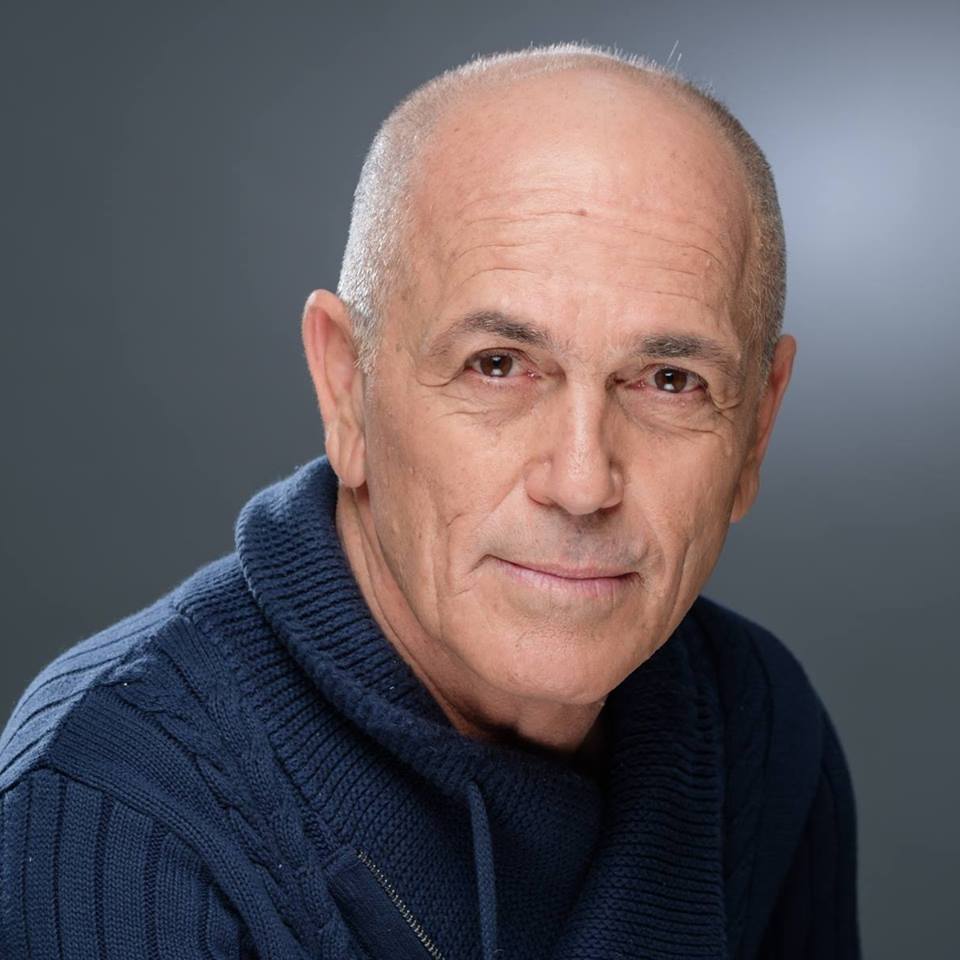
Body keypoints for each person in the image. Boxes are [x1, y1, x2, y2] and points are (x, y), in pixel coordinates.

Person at [0, 43, 861, 960]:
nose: (581, 483)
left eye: (670, 380)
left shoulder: (760, 728)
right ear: (346, 389)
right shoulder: (113, 811)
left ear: (756, 429)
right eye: (497, 365)